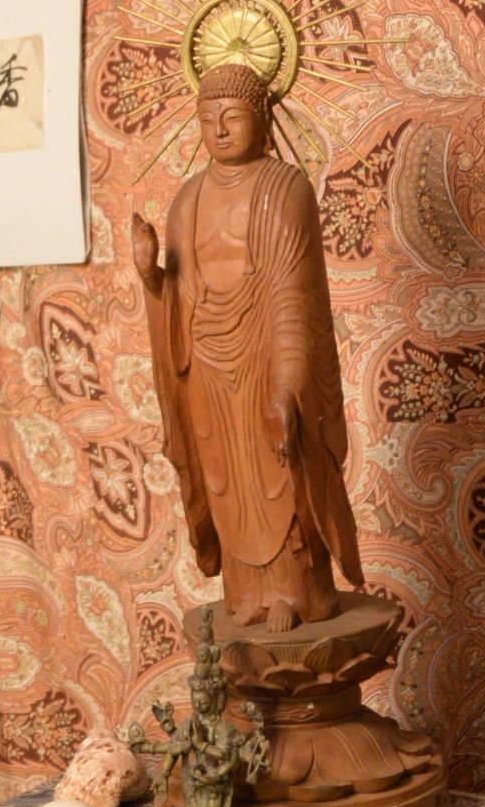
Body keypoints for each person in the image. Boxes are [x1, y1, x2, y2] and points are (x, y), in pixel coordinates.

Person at [132, 61, 365, 631]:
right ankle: (247, 590)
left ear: (262, 117)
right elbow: (179, 300)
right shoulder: (187, 200)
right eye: (207, 117)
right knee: (225, 479)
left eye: (232, 116)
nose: (218, 129)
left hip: (266, 355)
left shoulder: (286, 190)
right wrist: (151, 276)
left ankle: (295, 592)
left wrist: (287, 389)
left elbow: (294, 300)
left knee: (278, 472)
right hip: (206, 366)